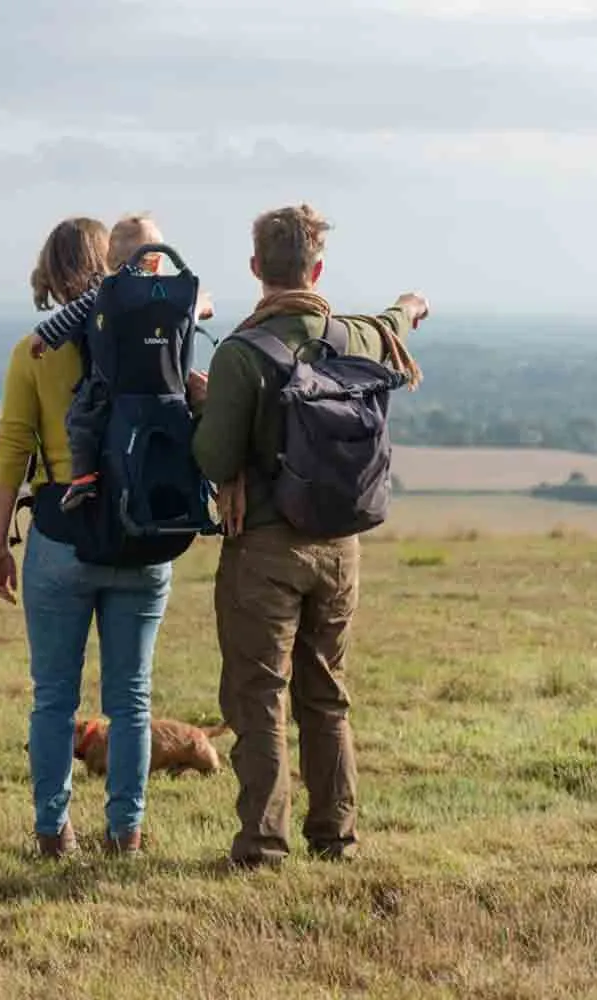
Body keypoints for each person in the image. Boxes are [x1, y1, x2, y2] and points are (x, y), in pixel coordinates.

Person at [192, 203, 430, 868]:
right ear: (318, 268)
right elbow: (391, 325)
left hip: (265, 547)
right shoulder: (352, 337)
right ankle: (337, 838)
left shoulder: (243, 353)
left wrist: (203, 402)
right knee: (326, 697)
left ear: (255, 268)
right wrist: (411, 308)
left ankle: (264, 846)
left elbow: (213, 458)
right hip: (340, 546)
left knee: (259, 697)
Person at [0, 216, 175, 857]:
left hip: (62, 534)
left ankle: (52, 831)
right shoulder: (154, 336)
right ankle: (125, 833)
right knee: (131, 698)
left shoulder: (33, 351)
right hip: (141, 533)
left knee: (54, 698)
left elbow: (15, 450)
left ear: (47, 273)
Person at [29, 214, 214, 512]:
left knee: (80, 420)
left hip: (115, 387)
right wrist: (203, 307)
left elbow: (73, 314)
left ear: (111, 259)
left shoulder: (110, 292)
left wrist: (43, 335)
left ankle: (83, 477)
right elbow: (201, 307)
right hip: (167, 390)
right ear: (156, 261)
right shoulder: (173, 297)